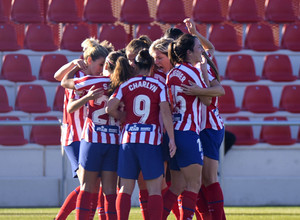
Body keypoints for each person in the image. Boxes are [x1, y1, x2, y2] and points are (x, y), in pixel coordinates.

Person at [106, 49, 176, 220]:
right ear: (152, 66)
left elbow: (109, 108)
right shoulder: (159, 85)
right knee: (154, 190)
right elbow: (166, 113)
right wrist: (172, 139)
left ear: (135, 65)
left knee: (125, 189)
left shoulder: (126, 85)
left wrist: (121, 117)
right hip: (150, 142)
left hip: (128, 141)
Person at [60, 40, 120, 220]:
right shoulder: (122, 83)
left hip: (92, 139)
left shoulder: (89, 80)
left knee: (88, 188)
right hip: (111, 140)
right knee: (109, 190)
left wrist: (85, 94)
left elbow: (63, 81)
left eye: (103, 65)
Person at [162, 33, 212, 220]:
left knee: (176, 186)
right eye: (199, 47)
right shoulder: (192, 72)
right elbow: (207, 100)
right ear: (189, 52)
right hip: (188, 133)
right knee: (194, 184)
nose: (202, 51)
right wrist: (205, 77)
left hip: (175, 132)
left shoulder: (172, 73)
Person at [181, 18, 226, 220]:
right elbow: (212, 47)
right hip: (197, 128)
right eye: (198, 46)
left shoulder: (201, 67)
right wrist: (195, 32)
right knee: (194, 179)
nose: (202, 49)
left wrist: (200, 88)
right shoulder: (188, 68)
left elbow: (215, 93)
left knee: (207, 178)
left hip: (208, 126)